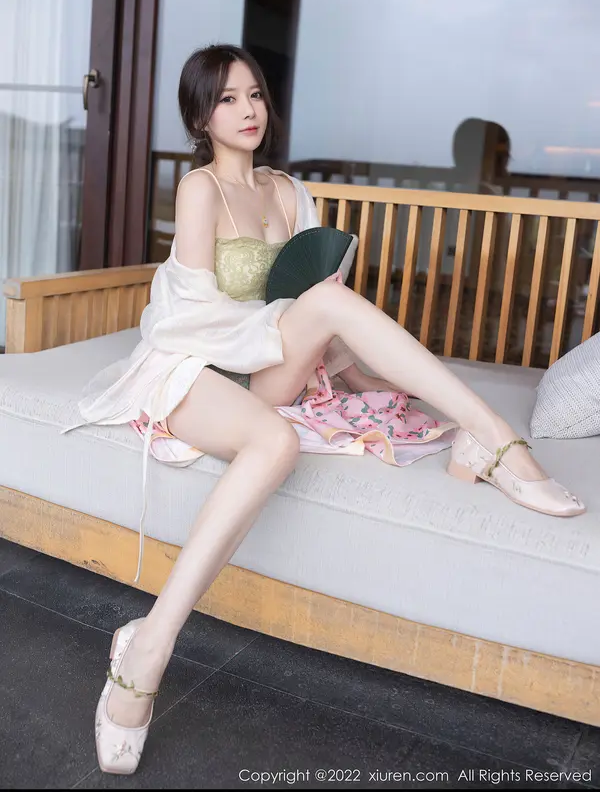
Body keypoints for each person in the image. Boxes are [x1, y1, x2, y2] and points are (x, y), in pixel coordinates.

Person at [87, 45, 585, 775]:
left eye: (254, 95)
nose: (248, 110)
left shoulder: (290, 192)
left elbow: (314, 302)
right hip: (198, 364)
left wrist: (355, 372)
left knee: (328, 301)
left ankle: (489, 435)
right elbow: (188, 317)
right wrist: (284, 328)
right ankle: (149, 648)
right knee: (276, 443)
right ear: (200, 117)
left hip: (266, 367)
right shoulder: (198, 189)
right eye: (227, 99)